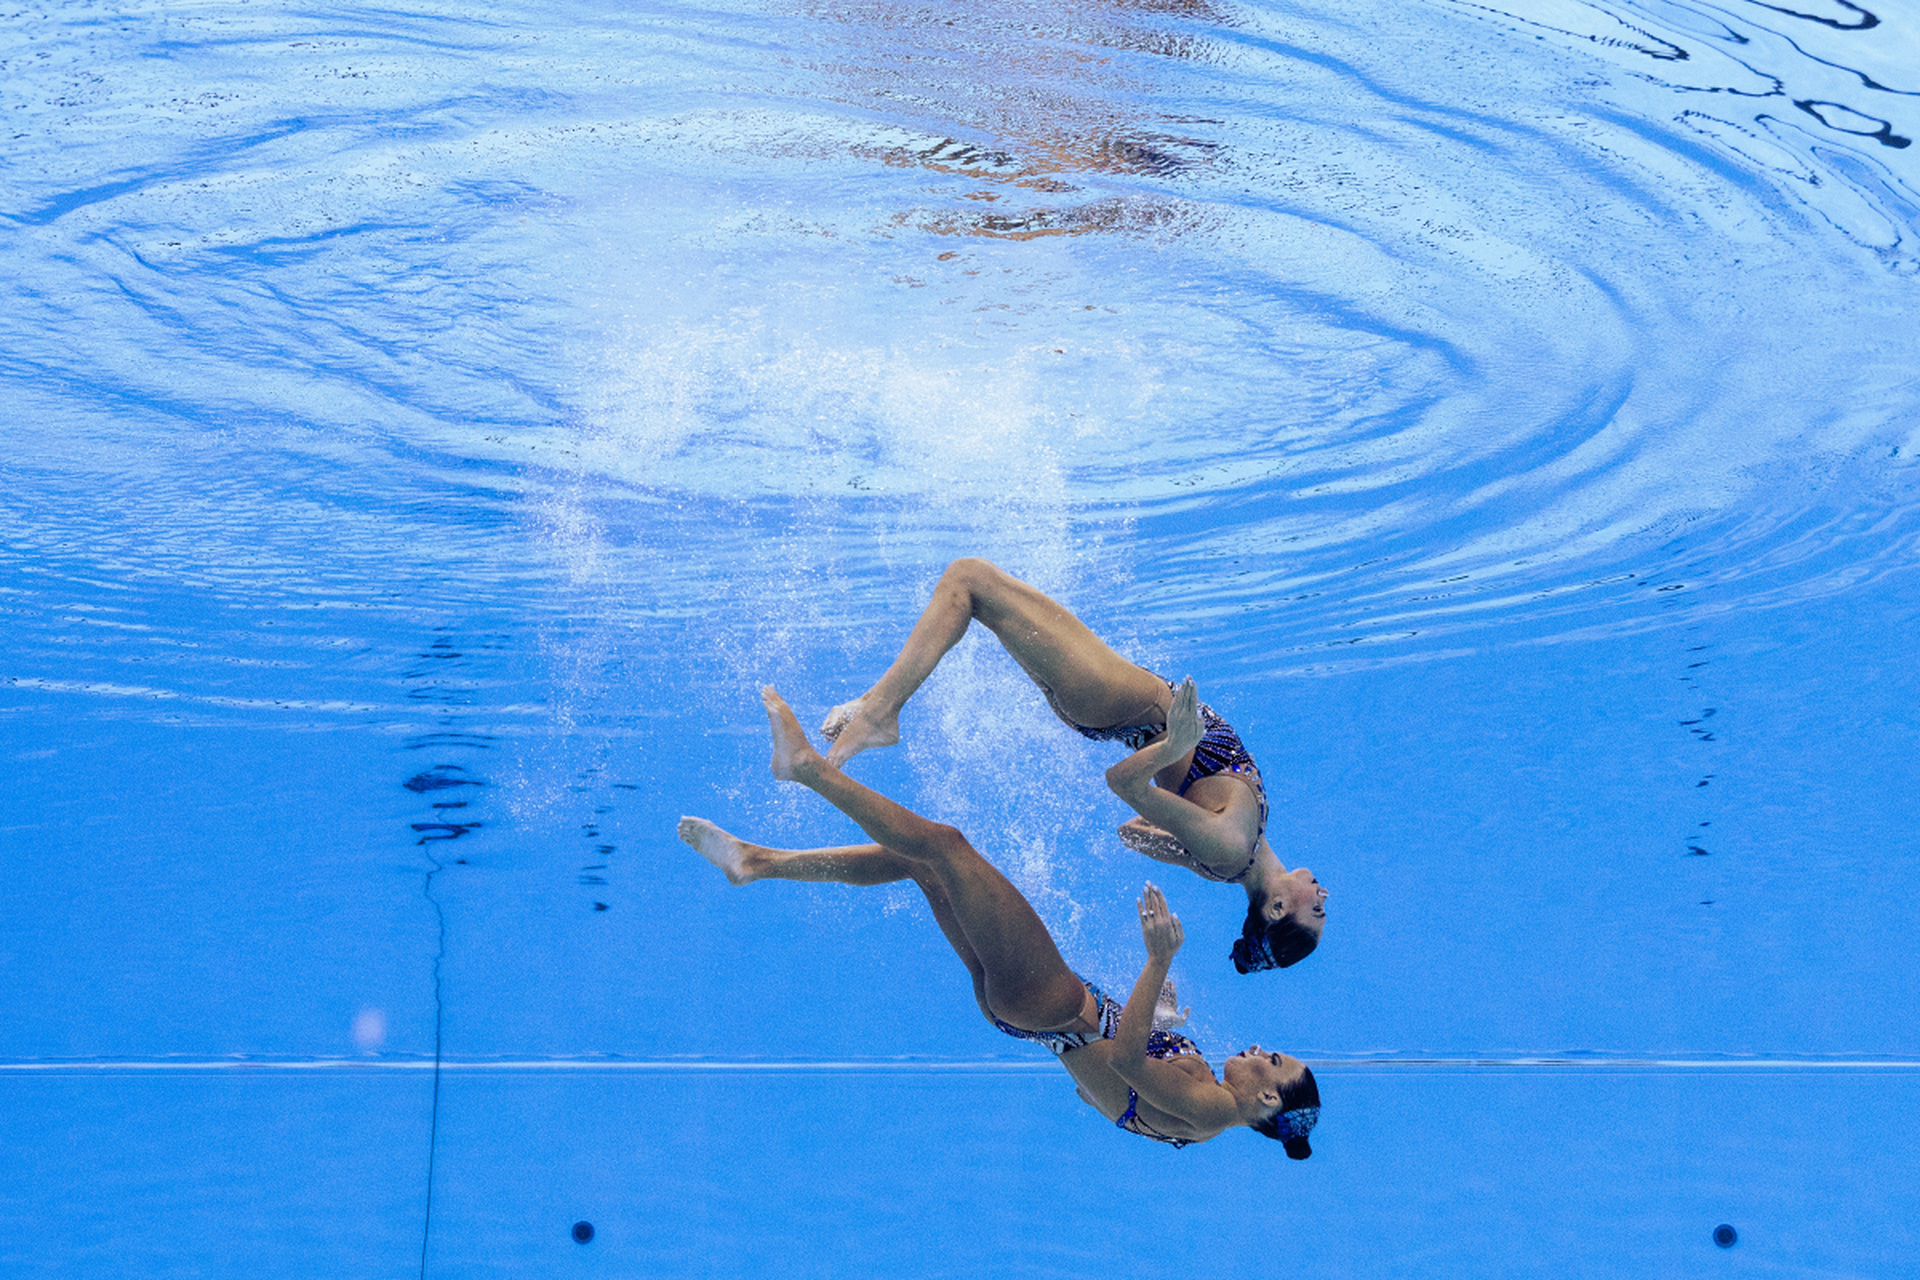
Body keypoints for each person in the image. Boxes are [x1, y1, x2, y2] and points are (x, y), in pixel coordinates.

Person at [677, 686, 1321, 1155]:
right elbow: (1096, 1092)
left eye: (1273, 1061)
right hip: (1031, 1012)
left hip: (1051, 1003)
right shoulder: (1198, 1106)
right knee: (921, 864)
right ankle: (756, 862)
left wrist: (1155, 965)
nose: (1261, 1050)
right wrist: (1151, 1021)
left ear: (1269, 1099)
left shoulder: (1210, 1111)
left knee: (947, 847)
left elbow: (1123, 1065)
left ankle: (809, 772)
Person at [817, 557, 1327, 972]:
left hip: (1116, 702)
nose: (1322, 894)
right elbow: (1133, 832)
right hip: (1109, 705)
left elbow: (1123, 784)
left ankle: (881, 713)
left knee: (970, 581)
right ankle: (875, 703)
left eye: (1317, 908)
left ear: (1278, 909)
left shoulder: (1231, 848)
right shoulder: (1229, 859)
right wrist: (1183, 838)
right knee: (978, 593)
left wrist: (1176, 748)